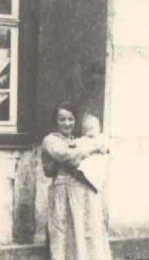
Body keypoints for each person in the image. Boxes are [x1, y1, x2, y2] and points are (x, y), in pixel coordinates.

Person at [41, 103, 112, 260]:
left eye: (70, 119)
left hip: (84, 194)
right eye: (62, 119)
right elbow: (67, 156)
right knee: (64, 236)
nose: (67, 123)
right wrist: (93, 149)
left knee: (86, 234)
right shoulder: (51, 141)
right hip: (63, 195)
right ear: (55, 121)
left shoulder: (78, 140)